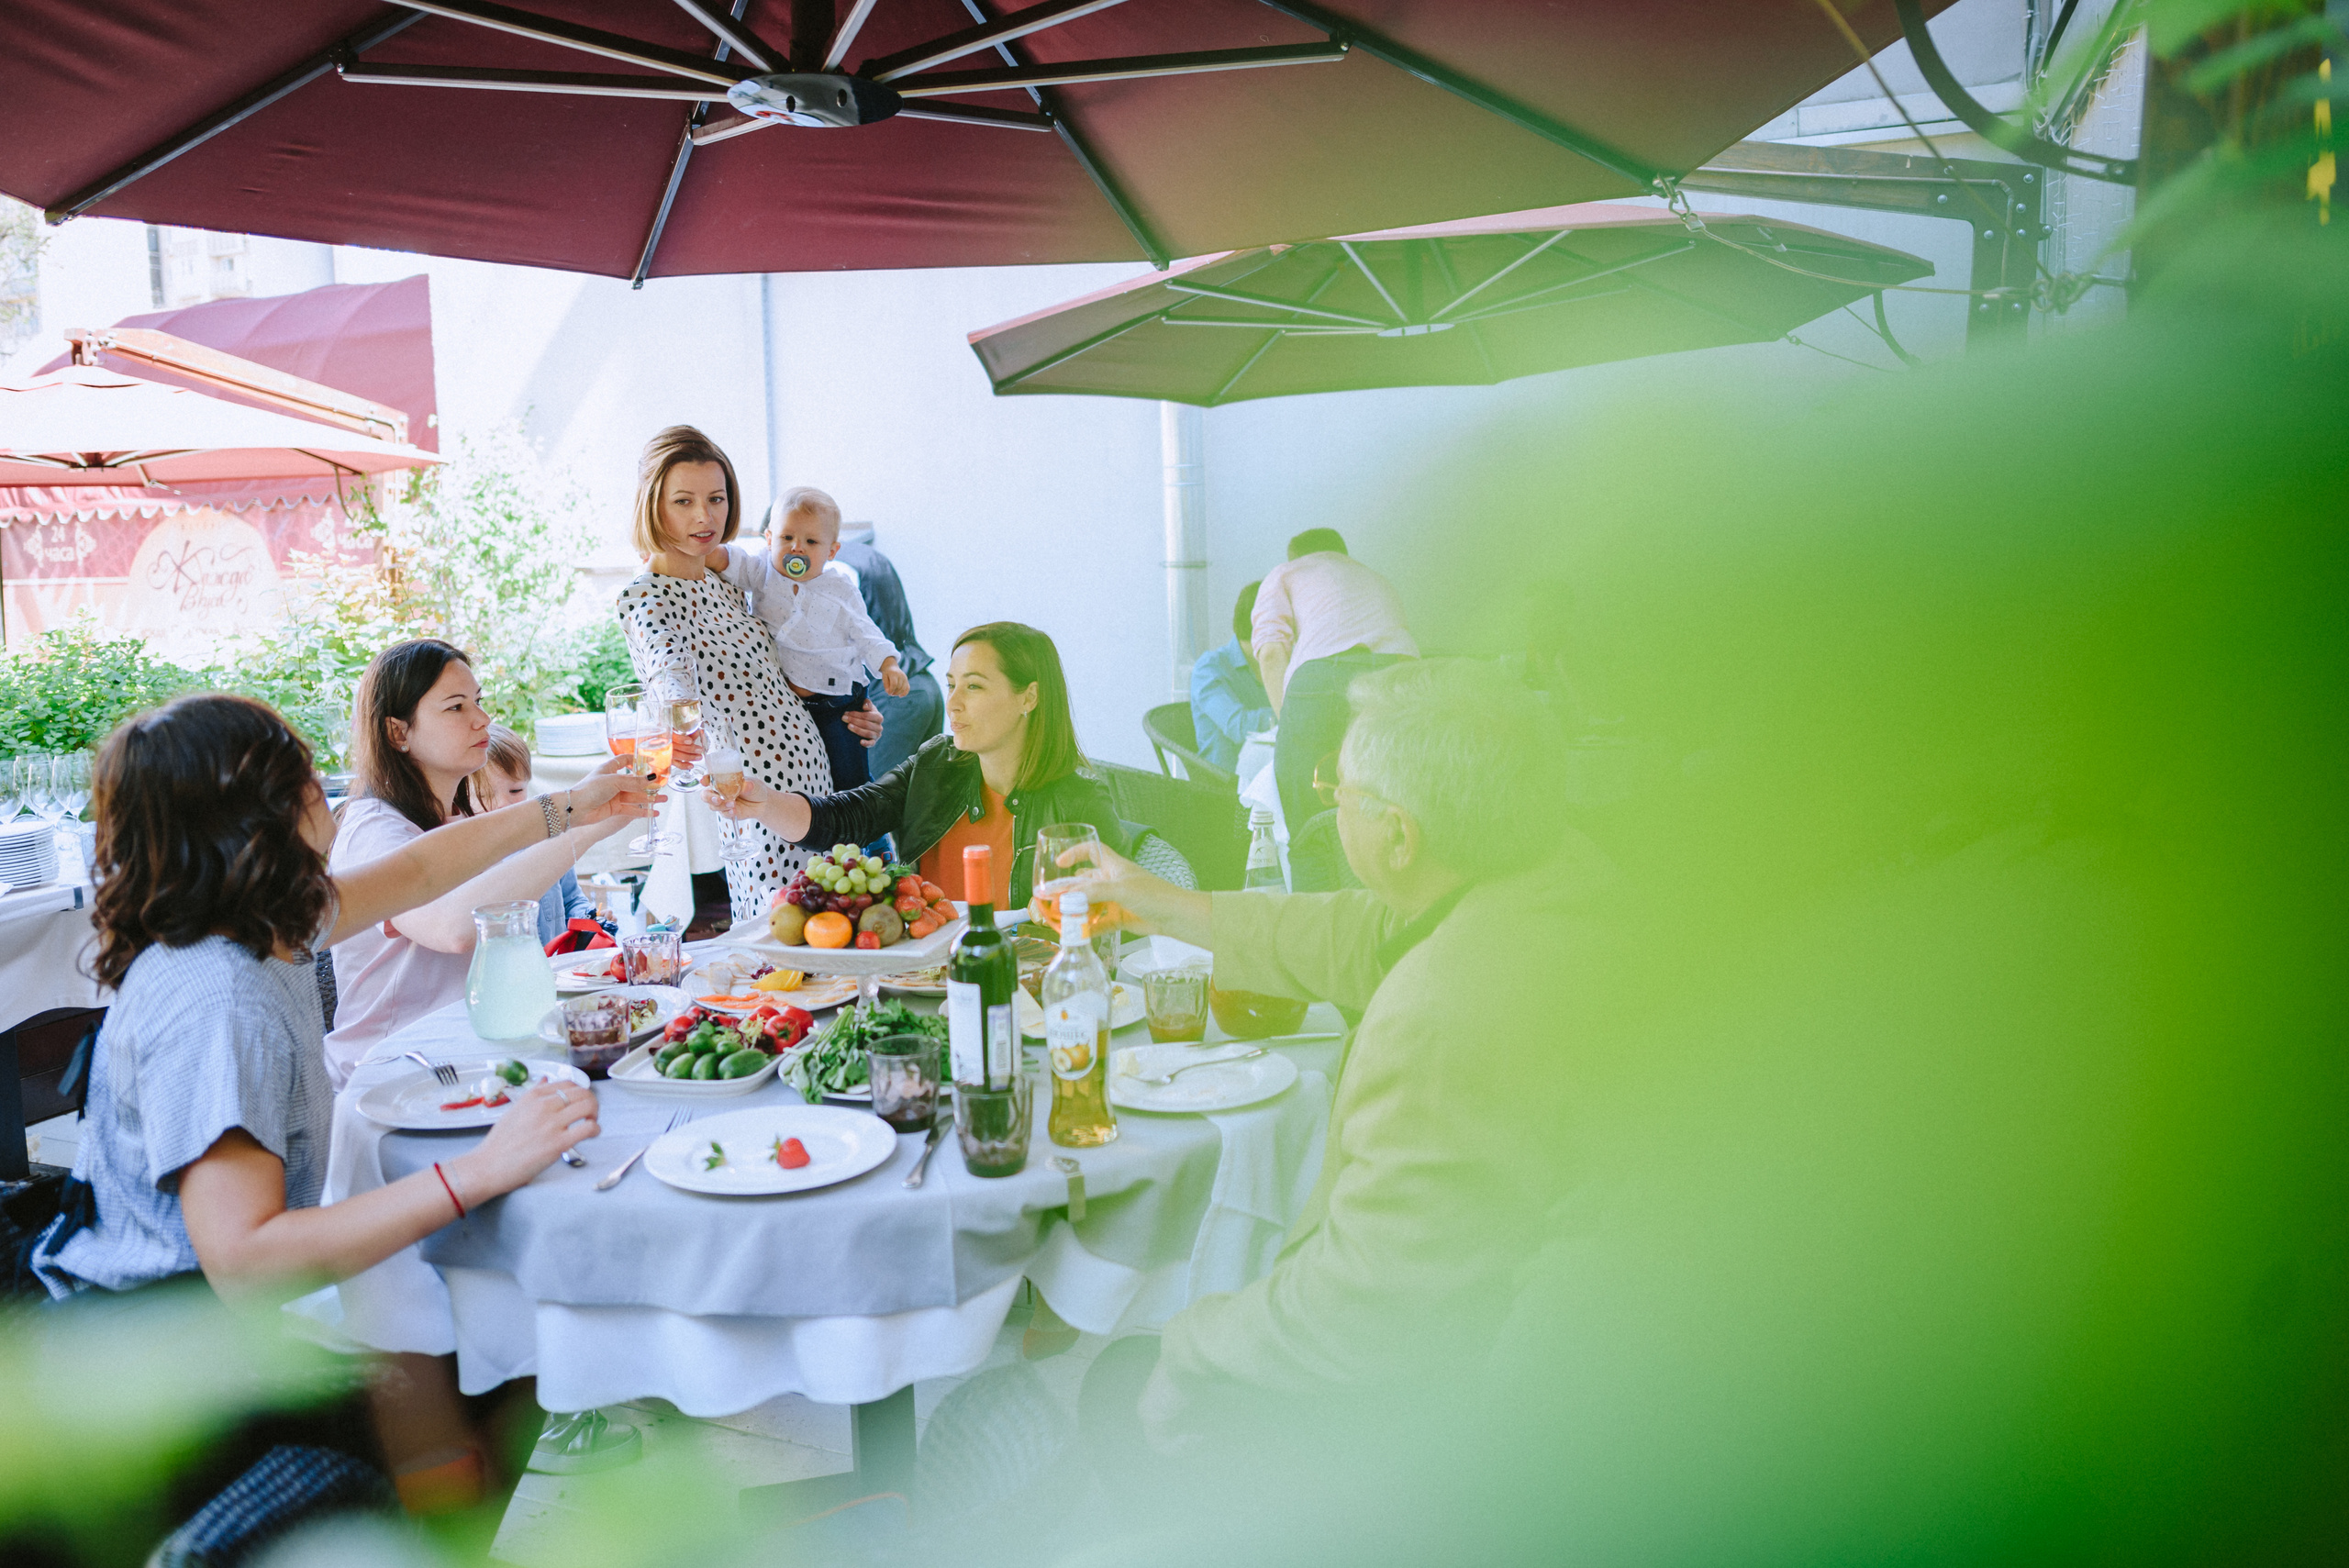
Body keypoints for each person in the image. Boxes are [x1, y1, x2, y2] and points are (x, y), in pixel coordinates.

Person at [29, 694, 647, 1503]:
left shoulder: (259, 918)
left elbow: (422, 870)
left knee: (461, 1328)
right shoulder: (220, 996)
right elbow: (248, 1257)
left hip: (188, 1321)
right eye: (310, 781)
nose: (331, 793)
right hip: (166, 1361)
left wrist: (570, 807)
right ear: (265, 817)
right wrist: (482, 1171)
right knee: (478, 1365)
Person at [1047, 660, 1599, 1445]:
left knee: (1116, 1387)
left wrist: (1194, 1344)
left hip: (1448, 1406)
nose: (1329, 803)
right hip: (1533, 1322)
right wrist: (1159, 904)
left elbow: (1367, 1303)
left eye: (1335, 790)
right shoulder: (1540, 878)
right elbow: (1350, 931)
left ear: (1399, 835)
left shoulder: (1444, 1011)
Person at [325, 640, 636, 1089]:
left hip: (472, 1058)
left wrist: (583, 815)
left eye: (478, 701)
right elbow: (456, 928)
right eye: (455, 707)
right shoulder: (372, 831)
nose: (482, 719)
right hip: (392, 1076)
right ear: (398, 733)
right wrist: (582, 826)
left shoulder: (459, 818)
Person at [712, 621, 1149, 910]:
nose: (953, 704)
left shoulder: (1079, 800)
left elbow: (1113, 924)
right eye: (952, 685)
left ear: (1028, 698)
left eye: (974, 687)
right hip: (922, 980)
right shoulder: (939, 762)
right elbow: (845, 816)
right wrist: (764, 803)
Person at [614, 427, 844, 925]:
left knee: (831, 926)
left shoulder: (724, 582)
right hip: (752, 796)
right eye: (684, 501)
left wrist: (852, 706)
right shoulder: (646, 595)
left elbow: (784, 666)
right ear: (653, 507)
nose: (705, 516)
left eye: (716, 499)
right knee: (778, 935)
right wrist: (679, 719)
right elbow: (666, 671)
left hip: (813, 778)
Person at [707, 486, 908, 793]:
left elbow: (866, 632)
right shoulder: (761, 572)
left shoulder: (840, 589)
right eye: (787, 537)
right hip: (792, 703)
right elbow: (728, 559)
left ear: (831, 552)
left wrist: (888, 665)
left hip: (838, 701)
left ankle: (873, 841)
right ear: (769, 539)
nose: (797, 548)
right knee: (811, 784)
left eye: (811, 541)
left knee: (849, 779)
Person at [1253, 528, 1417, 837]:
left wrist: (1287, 724)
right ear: (1343, 554)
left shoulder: (1285, 573)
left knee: (1306, 825)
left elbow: (1272, 654)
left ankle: (1314, 877)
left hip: (1323, 678)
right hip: (1401, 677)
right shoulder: (1375, 578)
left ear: (1296, 557)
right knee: (1386, 804)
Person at [835, 522, 944, 780]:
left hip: (892, 699)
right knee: (922, 805)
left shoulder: (831, 571)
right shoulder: (857, 555)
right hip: (921, 687)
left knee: (869, 808)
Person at [473, 724, 599, 948]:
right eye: (485, 794)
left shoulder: (549, 839)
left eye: (515, 791)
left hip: (556, 969)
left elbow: (571, 898)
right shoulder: (468, 860)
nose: (503, 804)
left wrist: (590, 919)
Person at [1189, 581, 1276, 773]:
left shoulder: (1279, 665)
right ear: (1264, 624)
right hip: (1225, 787)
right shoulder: (1209, 668)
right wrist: (1294, 716)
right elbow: (1238, 726)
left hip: (1268, 778)